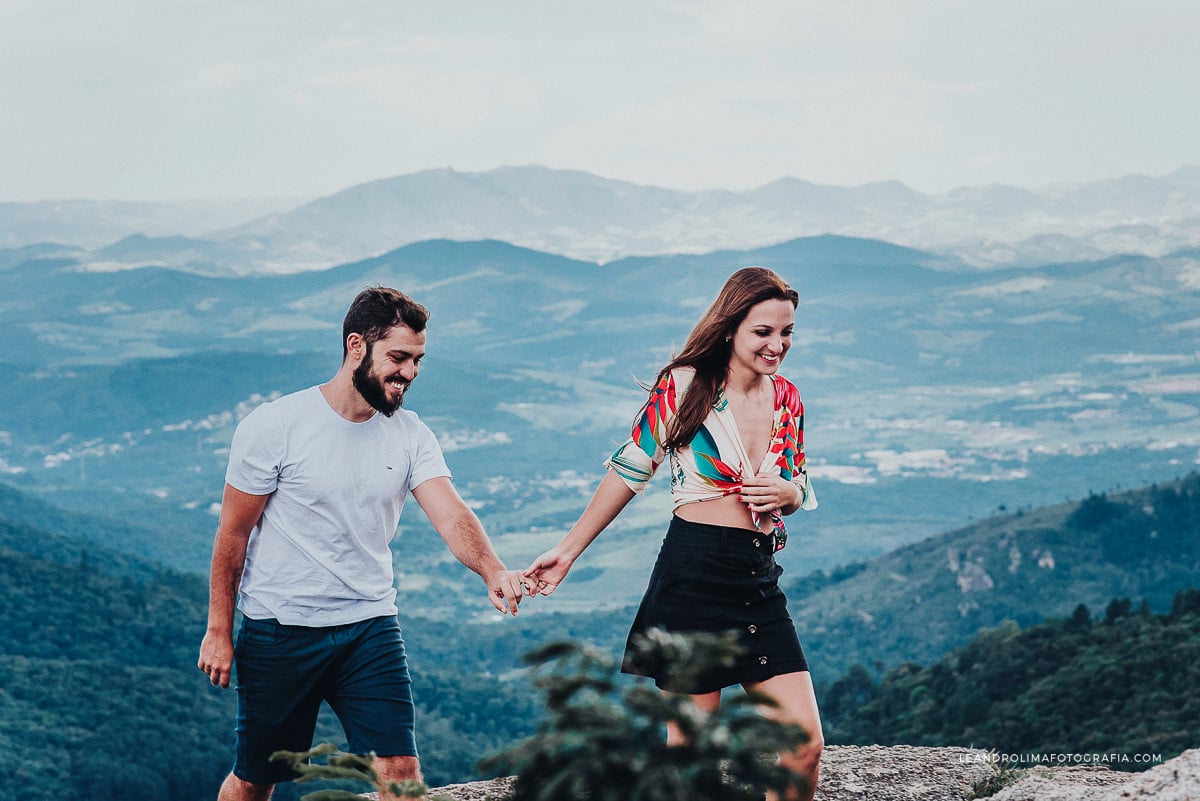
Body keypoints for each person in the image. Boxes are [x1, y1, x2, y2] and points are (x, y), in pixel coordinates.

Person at [197, 286, 528, 801]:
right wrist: (219, 630)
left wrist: (493, 570)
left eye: (418, 360)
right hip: (280, 630)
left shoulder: (411, 434)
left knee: (400, 770)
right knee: (256, 777)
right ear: (356, 346)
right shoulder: (275, 427)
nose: (410, 373)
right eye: (398, 357)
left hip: (368, 627)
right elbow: (232, 535)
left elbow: (452, 512)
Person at [524, 266, 823, 800]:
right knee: (689, 754)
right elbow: (630, 469)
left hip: (756, 578)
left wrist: (790, 495)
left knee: (804, 746)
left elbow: (797, 483)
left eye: (787, 332)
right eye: (763, 332)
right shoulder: (686, 386)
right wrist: (568, 551)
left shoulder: (789, 399)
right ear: (731, 327)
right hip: (694, 573)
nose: (777, 344)